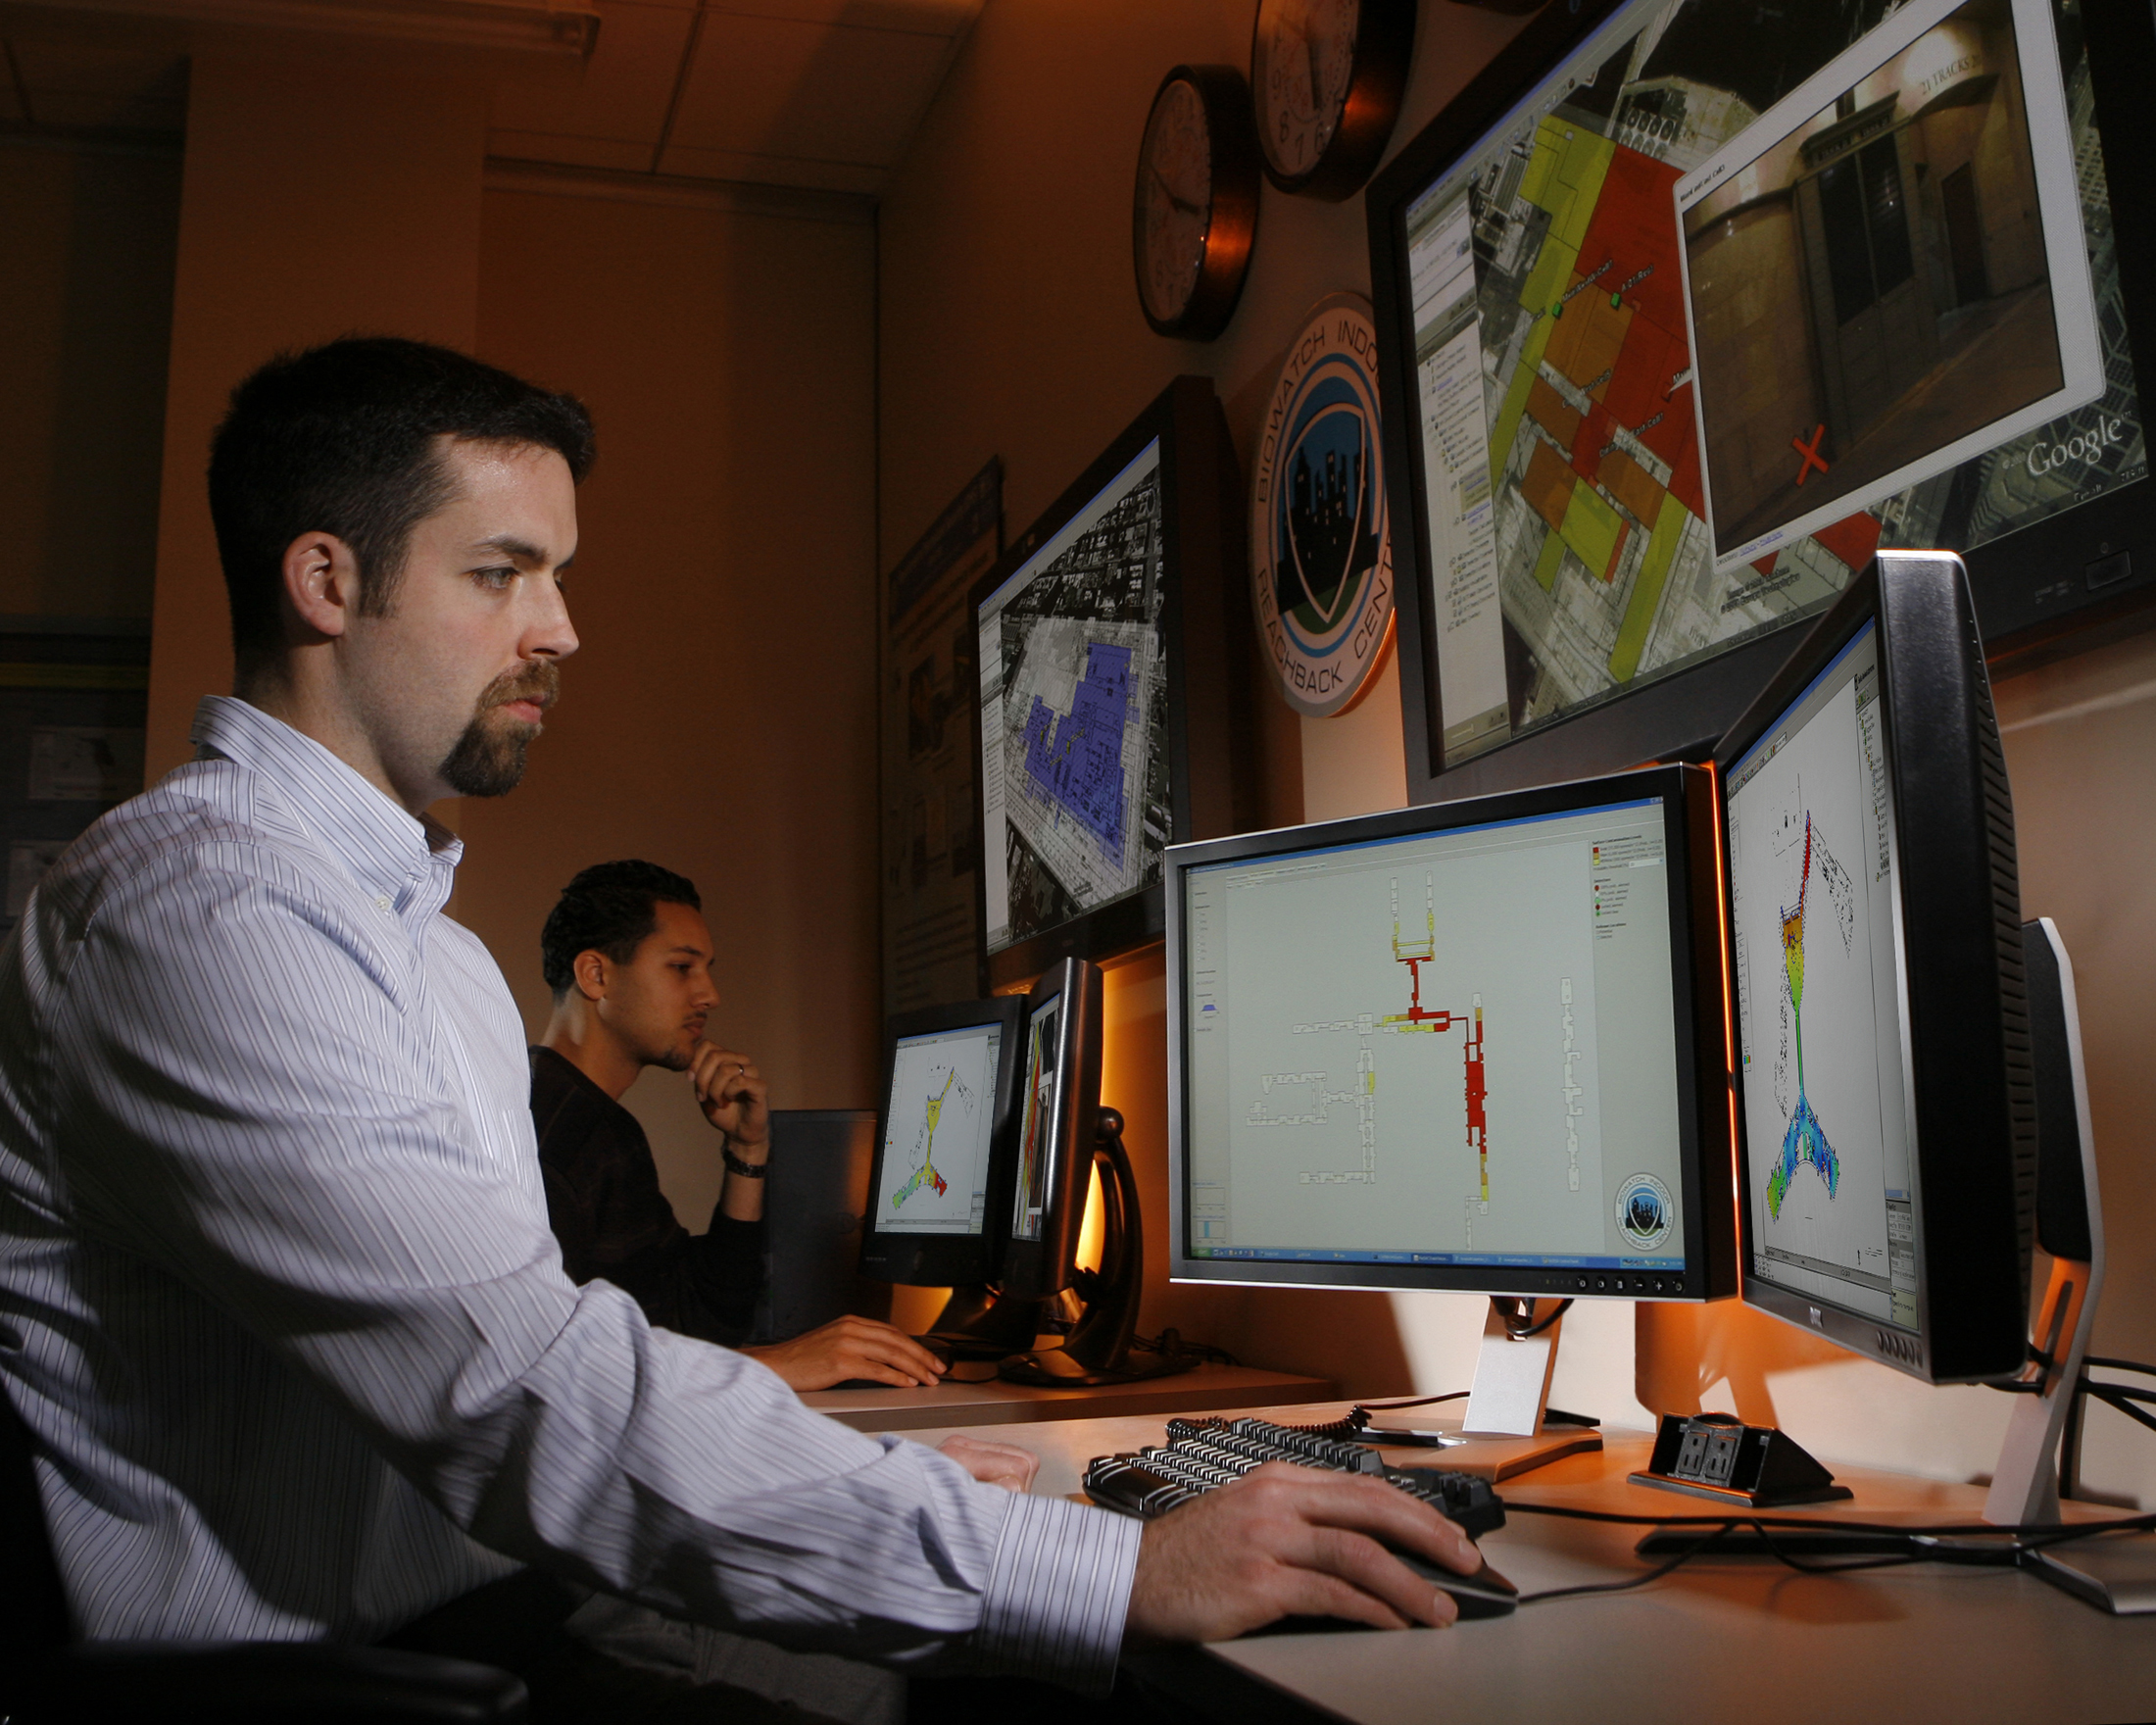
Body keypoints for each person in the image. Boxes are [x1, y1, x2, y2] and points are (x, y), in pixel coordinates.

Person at [0, 336, 1485, 1719]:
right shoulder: (203, 915)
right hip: (381, 1673)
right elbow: (520, 1392)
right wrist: (1112, 1568)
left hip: (508, 1604)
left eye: (559, 576)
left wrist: (860, 1476)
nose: (561, 629)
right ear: (327, 582)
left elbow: (561, 1351)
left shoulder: (426, 951)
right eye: (504, 573)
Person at [533, 858, 949, 1388]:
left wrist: (747, 1150)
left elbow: (701, 1317)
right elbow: (559, 1365)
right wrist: (785, 1363)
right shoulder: (550, 1129)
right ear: (596, 975)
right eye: (682, 967)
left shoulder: (598, 1123)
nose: (710, 994)